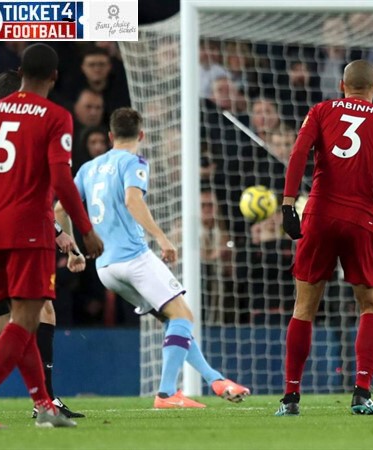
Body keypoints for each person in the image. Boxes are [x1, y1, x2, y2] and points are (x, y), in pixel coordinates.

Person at [56, 107, 249, 409]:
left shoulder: (89, 168)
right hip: (133, 257)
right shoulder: (134, 162)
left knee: (173, 319)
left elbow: (59, 209)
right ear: (141, 135)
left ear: (109, 136)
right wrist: (162, 237)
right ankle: (166, 393)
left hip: (105, 267)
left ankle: (216, 380)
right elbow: (133, 200)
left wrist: (74, 251)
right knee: (184, 316)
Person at [0, 44, 104, 429]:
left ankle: (43, 405)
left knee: (17, 320)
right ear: (55, 77)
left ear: (21, 72)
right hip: (29, 231)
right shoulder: (55, 116)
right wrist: (83, 229)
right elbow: (60, 180)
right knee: (24, 321)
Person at [278, 59, 373, 416]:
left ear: (341, 85)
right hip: (361, 219)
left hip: (319, 214)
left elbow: (298, 156)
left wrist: (289, 205)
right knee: (370, 305)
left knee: (304, 307)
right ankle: (361, 392)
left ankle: (291, 397)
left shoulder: (320, 111)